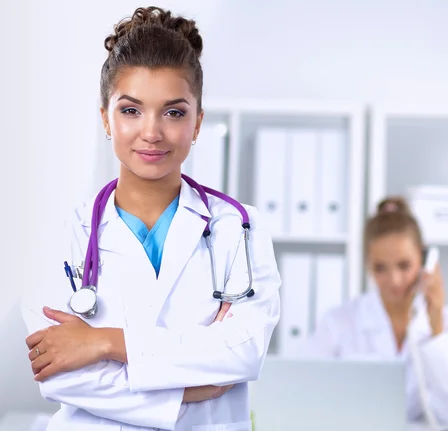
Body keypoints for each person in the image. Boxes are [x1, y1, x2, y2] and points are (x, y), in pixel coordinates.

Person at [20, 7, 281, 431]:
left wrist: (106, 342)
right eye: (131, 110)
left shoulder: (238, 229)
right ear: (105, 117)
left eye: (174, 112)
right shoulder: (60, 232)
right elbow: (59, 374)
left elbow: (244, 351)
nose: (152, 131)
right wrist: (195, 388)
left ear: (197, 122)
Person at [307, 196, 448, 425]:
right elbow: (309, 399)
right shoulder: (338, 322)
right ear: (368, 264)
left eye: (404, 265)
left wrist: (436, 329)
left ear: (425, 260)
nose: (394, 281)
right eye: (380, 268)